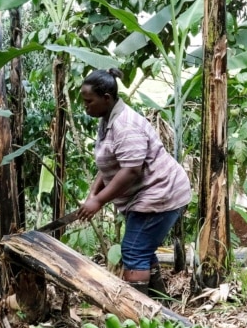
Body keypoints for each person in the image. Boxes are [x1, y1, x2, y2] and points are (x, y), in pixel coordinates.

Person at [76, 68, 191, 297]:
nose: (85, 106)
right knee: (142, 250)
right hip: (147, 195)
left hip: (161, 193)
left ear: (106, 99)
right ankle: (160, 311)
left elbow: (130, 170)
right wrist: (93, 194)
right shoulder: (108, 118)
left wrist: (98, 201)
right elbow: (111, 163)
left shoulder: (125, 125)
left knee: (134, 250)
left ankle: (136, 317)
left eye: (89, 101)